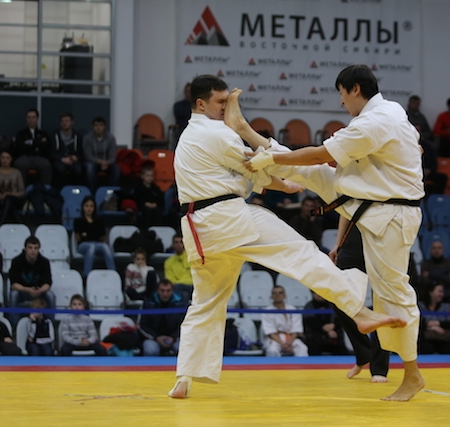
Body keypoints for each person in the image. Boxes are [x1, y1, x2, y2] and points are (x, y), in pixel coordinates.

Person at [168, 74, 403, 399]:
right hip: (228, 218)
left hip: (198, 229)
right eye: (220, 102)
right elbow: (256, 166)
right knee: (301, 253)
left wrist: (280, 181)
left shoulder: (188, 137)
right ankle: (359, 312)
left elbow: (248, 170)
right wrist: (289, 185)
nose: (224, 107)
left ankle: (184, 377)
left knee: (205, 302)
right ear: (200, 103)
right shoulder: (216, 132)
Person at [230, 64, 425, 401]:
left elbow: (320, 152)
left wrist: (268, 161)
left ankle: (413, 375)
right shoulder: (390, 110)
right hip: (368, 197)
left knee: (394, 291)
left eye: (341, 94)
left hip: (390, 213)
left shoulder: (374, 121)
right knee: (314, 173)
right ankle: (245, 129)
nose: (341, 102)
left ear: (354, 89)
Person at [329, 222, 390, 383]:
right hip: (353, 239)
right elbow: (345, 212)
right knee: (337, 295)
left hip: (381, 240)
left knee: (382, 303)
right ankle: (363, 353)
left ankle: (379, 368)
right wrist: (338, 243)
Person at [8, 236, 56, 328]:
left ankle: (50, 325)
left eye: (35, 248)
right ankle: (14, 327)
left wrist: (39, 290)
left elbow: (48, 283)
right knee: (13, 294)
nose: (33, 251)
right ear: (25, 248)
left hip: (39, 292)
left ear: (39, 249)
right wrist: (28, 290)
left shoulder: (44, 262)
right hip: (23, 292)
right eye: (30, 248)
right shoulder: (16, 261)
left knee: (50, 295)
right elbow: (14, 284)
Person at [140, 279, 186, 356]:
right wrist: (156, 338)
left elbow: (185, 325)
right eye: (162, 291)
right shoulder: (148, 303)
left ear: (172, 291)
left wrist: (173, 337)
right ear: (157, 290)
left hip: (175, 339)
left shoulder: (180, 304)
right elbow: (142, 325)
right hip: (153, 339)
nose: (165, 294)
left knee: (182, 349)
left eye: (168, 291)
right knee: (150, 350)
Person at [261, 285, 309, 357]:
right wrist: (283, 345)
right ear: (271, 296)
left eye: (280, 293)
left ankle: (301, 365)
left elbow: (296, 330)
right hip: (275, 339)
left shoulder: (292, 309)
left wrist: (289, 343)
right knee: (272, 349)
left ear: (285, 295)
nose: (277, 295)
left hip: (291, 338)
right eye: (275, 293)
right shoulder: (267, 311)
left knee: (302, 348)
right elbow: (270, 333)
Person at [73, 196, 116, 277]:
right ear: (83, 207)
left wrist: (86, 234)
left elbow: (102, 237)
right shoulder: (78, 221)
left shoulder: (100, 221)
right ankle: (86, 275)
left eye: (91, 206)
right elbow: (78, 237)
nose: (89, 208)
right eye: (86, 206)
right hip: (83, 245)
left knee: (105, 247)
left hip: (98, 244)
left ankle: (113, 274)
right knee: (91, 247)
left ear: (94, 208)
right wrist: (93, 234)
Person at [302, 290, 348, 356]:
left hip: (334, 333)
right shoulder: (308, 306)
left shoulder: (333, 305)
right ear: (312, 294)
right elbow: (309, 321)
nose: (319, 294)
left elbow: (341, 319)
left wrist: (334, 325)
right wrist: (323, 327)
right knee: (312, 342)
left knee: (341, 347)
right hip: (316, 335)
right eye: (316, 292)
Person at [13, 108, 52, 185]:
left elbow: (46, 146)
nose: (31, 120)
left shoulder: (43, 133)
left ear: (37, 118)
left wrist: (30, 143)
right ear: (26, 119)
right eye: (29, 117)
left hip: (39, 157)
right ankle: (21, 189)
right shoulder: (21, 133)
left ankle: (45, 189)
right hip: (25, 157)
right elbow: (20, 147)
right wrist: (37, 143)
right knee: (19, 164)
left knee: (46, 165)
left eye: (33, 117)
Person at [0, 150, 25, 224]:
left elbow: (22, 192)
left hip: (14, 200)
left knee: (8, 199)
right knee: (8, 202)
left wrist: (9, 194)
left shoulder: (17, 172)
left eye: (7, 158)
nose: (5, 160)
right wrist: (0, 197)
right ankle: (21, 224)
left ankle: (0, 225)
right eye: (3, 158)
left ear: (11, 159)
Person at [82, 116, 121, 191]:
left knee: (116, 169)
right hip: (93, 163)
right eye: (96, 125)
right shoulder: (87, 138)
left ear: (104, 127)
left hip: (107, 163)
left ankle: (111, 192)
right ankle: (92, 192)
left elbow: (112, 156)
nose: (98, 128)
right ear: (93, 127)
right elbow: (88, 156)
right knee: (89, 168)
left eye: (101, 125)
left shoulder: (111, 138)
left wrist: (107, 163)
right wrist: (101, 162)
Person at [418, 283, 450, 354]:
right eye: (440, 291)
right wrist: (431, 327)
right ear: (430, 292)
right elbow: (417, 322)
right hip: (424, 340)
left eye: (443, 292)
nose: (442, 294)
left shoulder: (446, 307)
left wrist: (438, 323)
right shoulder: (420, 306)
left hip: (444, 339)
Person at [51, 112, 84, 187]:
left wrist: (76, 157)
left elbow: (81, 152)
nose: (64, 123)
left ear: (72, 122)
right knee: (60, 169)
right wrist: (61, 158)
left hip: (73, 160)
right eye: (62, 121)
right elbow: (51, 152)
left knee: (78, 169)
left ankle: (75, 190)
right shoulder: (54, 135)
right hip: (60, 159)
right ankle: (62, 190)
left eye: (66, 121)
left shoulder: (78, 135)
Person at [163, 235, 193, 306]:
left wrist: (182, 283)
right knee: (184, 294)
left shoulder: (192, 258)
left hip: (193, 287)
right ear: (172, 245)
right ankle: (183, 311)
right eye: (176, 242)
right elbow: (171, 281)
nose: (179, 245)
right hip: (178, 288)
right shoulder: (168, 262)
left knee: (179, 288)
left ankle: (181, 311)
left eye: (181, 242)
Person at [132, 164, 164, 229]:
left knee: (158, 211)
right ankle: (146, 230)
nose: (149, 178)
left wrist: (156, 204)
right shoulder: (138, 187)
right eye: (147, 175)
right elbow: (137, 198)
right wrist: (145, 203)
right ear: (142, 176)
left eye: (151, 176)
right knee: (147, 212)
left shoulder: (155, 188)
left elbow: (160, 198)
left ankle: (157, 229)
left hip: (155, 206)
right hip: (143, 206)